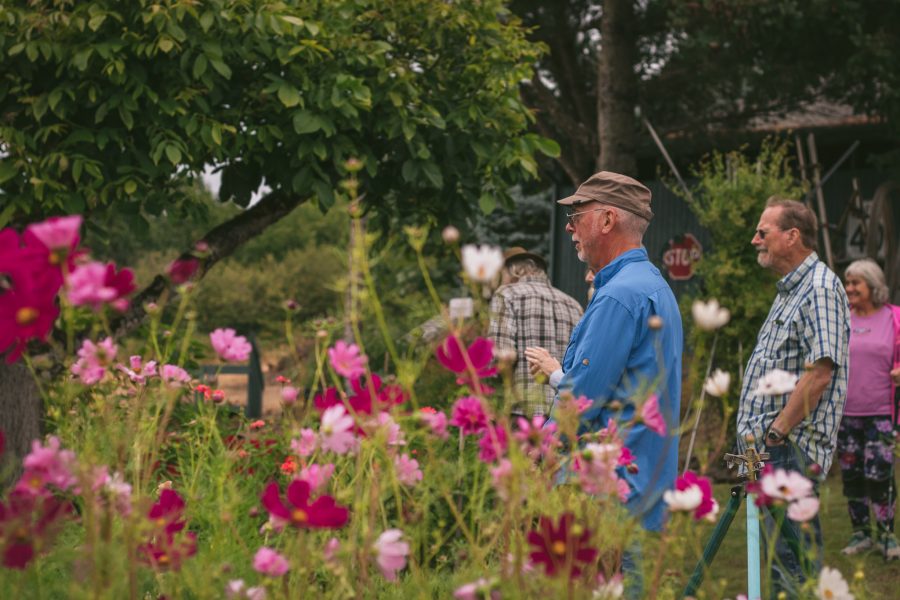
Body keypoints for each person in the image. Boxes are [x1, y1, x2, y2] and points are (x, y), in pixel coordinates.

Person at [532, 171, 683, 535]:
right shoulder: (653, 285)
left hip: (610, 494)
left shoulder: (619, 295)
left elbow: (580, 400)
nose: (569, 228)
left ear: (607, 220)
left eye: (576, 216)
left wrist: (536, 455)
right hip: (644, 487)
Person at [736, 197, 850, 595]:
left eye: (762, 232)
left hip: (790, 450)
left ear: (792, 236)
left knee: (792, 566)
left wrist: (777, 432)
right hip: (772, 451)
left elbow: (820, 373)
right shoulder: (791, 290)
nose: (755, 240)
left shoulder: (819, 288)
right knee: (775, 559)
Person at [837, 258, 900, 559]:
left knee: (879, 474)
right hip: (846, 414)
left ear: (873, 286)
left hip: (882, 413)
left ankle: (887, 535)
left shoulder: (894, 318)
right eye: (847, 282)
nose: (849, 288)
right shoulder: (842, 319)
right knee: (852, 475)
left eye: (855, 283)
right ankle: (861, 533)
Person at [487, 247, 583, 418]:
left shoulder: (507, 294)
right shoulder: (574, 305)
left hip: (523, 411)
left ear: (514, 271)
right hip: (564, 413)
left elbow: (498, 359)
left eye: (502, 275)